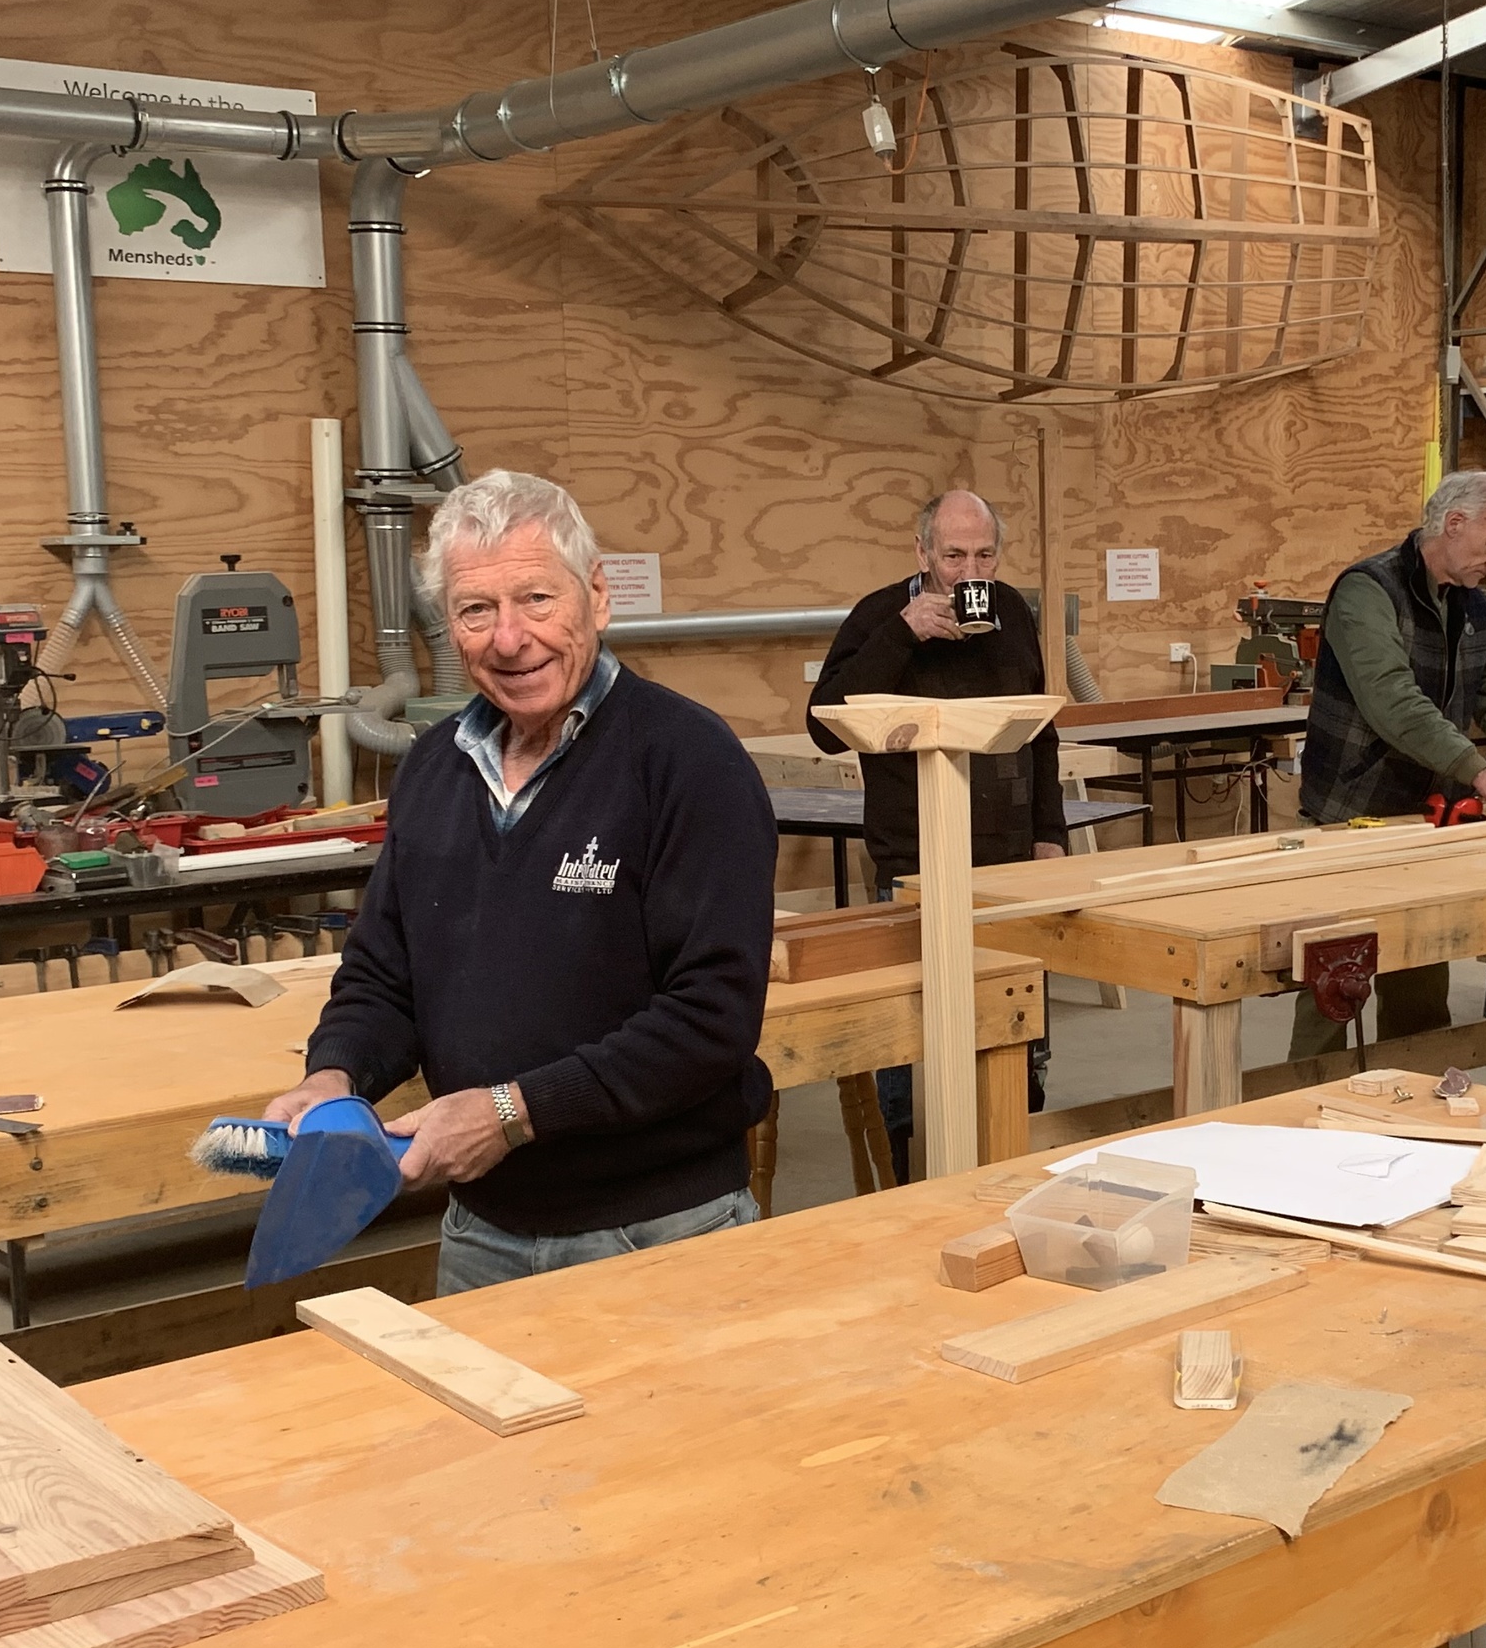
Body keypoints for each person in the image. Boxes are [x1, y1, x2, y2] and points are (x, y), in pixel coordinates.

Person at [265, 469, 777, 1292]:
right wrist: (336, 1073)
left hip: (659, 1232)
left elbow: (710, 1018)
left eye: (537, 599)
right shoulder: (434, 769)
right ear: (450, 627)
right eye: (477, 610)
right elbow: (384, 975)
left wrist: (510, 1113)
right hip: (482, 1233)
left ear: (596, 598)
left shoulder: (687, 761)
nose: (510, 639)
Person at [1289, 463, 1486, 1059]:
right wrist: (1485, 776)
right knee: (1333, 987)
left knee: (1421, 987)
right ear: (1454, 523)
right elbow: (1393, 703)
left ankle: (1414, 1094)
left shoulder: (1474, 608)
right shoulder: (1368, 591)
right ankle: (1303, 1101)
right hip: (1350, 819)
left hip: (1427, 823)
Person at [811, 488, 1066, 1178]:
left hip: (1009, 864)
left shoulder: (1012, 613)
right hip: (914, 863)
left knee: (1018, 1026)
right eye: (954, 556)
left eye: (984, 555)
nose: (969, 572)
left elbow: (1041, 731)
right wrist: (902, 634)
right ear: (921, 552)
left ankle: (1012, 1161)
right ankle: (912, 1178)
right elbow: (823, 724)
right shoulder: (879, 617)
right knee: (914, 1039)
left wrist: (1050, 833)